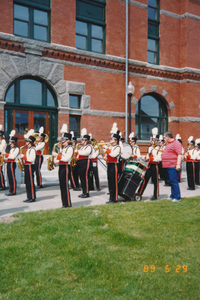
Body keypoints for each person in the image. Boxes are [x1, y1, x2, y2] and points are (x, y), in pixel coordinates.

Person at [138, 127, 160, 200]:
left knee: (155, 181)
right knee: (145, 179)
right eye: (153, 140)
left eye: (155, 140)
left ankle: (155, 195)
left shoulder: (160, 148)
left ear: (157, 141)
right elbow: (148, 154)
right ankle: (139, 193)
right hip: (149, 165)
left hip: (155, 165)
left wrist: (150, 158)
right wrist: (145, 157)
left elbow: (159, 158)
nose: (154, 141)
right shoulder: (150, 148)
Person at [53, 130, 73, 208]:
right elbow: (61, 159)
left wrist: (57, 154)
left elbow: (66, 159)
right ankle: (64, 203)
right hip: (61, 167)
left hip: (66, 167)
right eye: (62, 140)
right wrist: (55, 162)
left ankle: (67, 204)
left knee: (65, 186)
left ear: (68, 140)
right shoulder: (64, 148)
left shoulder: (70, 148)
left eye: (64, 140)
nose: (62, 141)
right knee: (62, 186)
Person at [162, 131, 182, 203]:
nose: (164, 138)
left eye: (165, 137)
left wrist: (178, 164)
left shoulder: (176, 143)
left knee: (174, 181)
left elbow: (179, 154)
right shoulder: (169, 144)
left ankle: (177, 197)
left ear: (168, 137)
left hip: (173, 166)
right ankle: (173, 195)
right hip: (168, 166)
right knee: (171, 181)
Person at [103, 123, 121, 204]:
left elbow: (114, 155)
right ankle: (111, 198)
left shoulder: (118, 147)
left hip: (114, 165)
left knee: (114, 182)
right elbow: (108, 156)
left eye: (111, 139)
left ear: (116, 140)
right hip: (109, 165)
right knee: (110, 182)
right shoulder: (111, 147)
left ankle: (115, 198)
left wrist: (107, 149)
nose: (110, 140)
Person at [20, 130, 37, 203]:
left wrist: (24, 157)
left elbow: (31, 159)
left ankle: (32, 197)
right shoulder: (28, 149)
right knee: (27, 182)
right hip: (27, 165)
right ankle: (28, 196)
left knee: (30, 182)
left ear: (31, 142)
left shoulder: (33, 149)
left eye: (27, 142)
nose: (26, 143)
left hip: (30, 166)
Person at [76, 128, 93, 198]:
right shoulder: (82, 147)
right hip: (80, 162)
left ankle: (86, 192)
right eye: (82, 140)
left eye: (84, 140)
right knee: (82, 178)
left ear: (87, 141)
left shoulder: (89, 146)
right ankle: (83, 191)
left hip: (86, 162)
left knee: (85, 177)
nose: (82, 141)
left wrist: (78, 152)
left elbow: (86, 153)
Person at [3, 130, 19, 196]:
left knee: (12, 177)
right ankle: (10, 190)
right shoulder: (12, 149)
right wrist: (5, 159)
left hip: (12, 163)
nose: (10, 144)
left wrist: (6, 154)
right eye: (10, 142)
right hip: (9, 163)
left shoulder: (17, 149)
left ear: (14, 143)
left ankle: (14, 191)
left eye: (11, 143)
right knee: (9, 177)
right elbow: (9, 157)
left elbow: (12, 157)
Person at [0, 125, 6, 190]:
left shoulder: (3, 141)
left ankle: (2, 185)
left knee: (0, 171)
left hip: (1, 155)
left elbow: (1, 149)